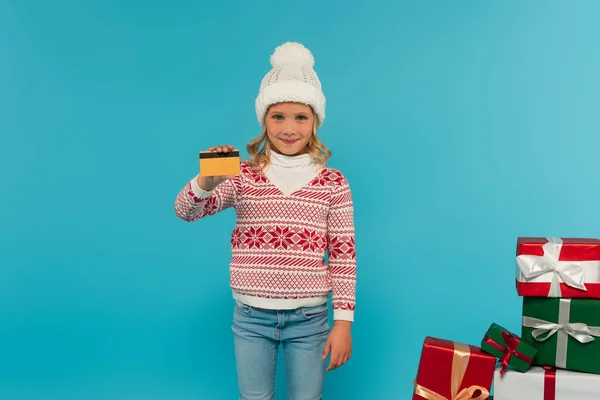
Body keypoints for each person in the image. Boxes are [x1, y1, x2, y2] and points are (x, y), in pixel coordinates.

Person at [174, 41, 357, 400]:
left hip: (309, 320)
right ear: (264, 120)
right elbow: (185, 211)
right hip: (251, 317)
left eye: (300, 117)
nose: (289, 128)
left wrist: (344, 323)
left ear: (315, 121)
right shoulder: (240, 174)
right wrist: (206, 181)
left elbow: (343, 256)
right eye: (278, 116)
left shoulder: (334, 182)